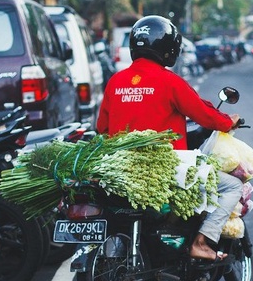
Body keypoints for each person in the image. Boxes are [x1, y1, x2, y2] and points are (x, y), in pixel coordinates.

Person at [96, 15, 243, 262]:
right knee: (232, 186)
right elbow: (205, 115)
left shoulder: (115, 82)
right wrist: (229, 121)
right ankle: (202, 241)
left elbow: (102, 129)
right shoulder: (169, 81)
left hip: (120, 169)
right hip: (165, 169)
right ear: (169, 49)